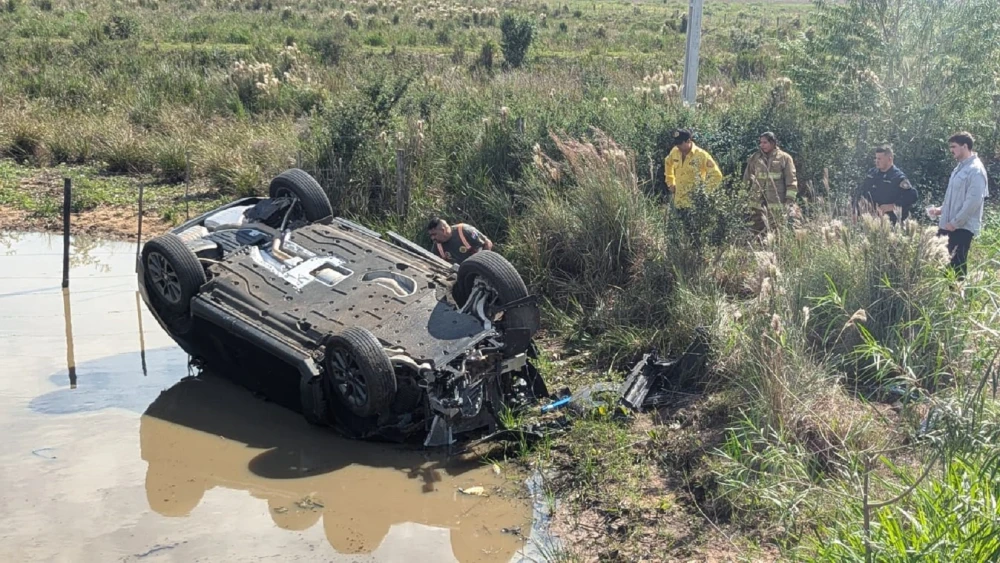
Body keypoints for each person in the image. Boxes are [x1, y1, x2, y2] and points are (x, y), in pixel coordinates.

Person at [927, 132, 989, 280]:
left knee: (957, 265)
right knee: (941, 263)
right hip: (948, 225)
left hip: (961, 228)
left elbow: (973, 202)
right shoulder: (959, 168)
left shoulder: (976, 170)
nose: (951, 150)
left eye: (954, 147)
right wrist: (940, 210)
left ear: (965, 146)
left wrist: (955, 223)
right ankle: (948, 299)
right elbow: (953, 198)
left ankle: (958, 299)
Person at [743, 131, 799, 232]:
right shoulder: (755, 157)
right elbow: (747, 178)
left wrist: (789, 201)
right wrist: (743, 197)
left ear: (773, 143)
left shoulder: (785, 158)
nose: (761, 145)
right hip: (756, 204)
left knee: (776, 231)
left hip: (776, 203)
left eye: (765, 142)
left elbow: (791, 181)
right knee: (755, 231)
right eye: (760, 142)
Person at [852, 145, 917, 224]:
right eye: (876, 158)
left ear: (889, 159)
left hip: (890, 222)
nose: (877, 161)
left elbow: (912, 197)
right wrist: (855, 211)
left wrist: (892, 206)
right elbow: (861, 192)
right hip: (870, 220)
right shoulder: (872, 174)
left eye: (879, 159)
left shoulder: (897, 177)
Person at [664, 128, 723, 210]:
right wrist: (670, 182)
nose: (678, 145)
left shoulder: (701, 155)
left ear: (688, 141)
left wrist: (703, 193)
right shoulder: (675, 151)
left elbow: (717, 176)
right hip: (678, 202)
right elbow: (668, 163)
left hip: (693, 205)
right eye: (676, 143)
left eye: (680, 143)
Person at [426, 217, 493, 265]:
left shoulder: (464, 231)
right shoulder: (437, 246)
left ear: (443, 230)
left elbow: (487, 243)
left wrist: (484, 264)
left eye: (434, 234)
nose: (432, 238)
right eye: (431, 235)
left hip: (479, 266)